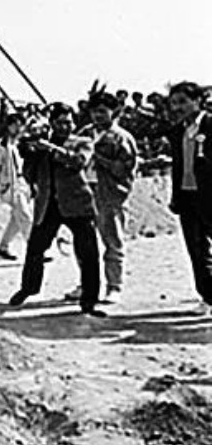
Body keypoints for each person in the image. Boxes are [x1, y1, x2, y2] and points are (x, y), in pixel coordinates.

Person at [8, 104, 104, 316]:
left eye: (68, 122)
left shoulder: (83, 142)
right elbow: (30, 174)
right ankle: (29, 288)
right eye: (60, 122)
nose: (65, 126)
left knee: (88, 254)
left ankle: (89, 300)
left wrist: (51, 149)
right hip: (48, 205)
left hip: (78, 205)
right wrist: (31, 153)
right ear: (51, 124)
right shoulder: (42, 144)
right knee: (35, 249)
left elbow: (79, 161)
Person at [84, 91, 138, 304]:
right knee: (85, 243)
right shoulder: (85, 133)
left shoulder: (122, 137)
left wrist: (98, 158)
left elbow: (124, 169)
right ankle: (86, 284)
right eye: (93, 111)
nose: (97, 116)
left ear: (113, 112)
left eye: (102, 111)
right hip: (85, 192)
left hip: (110, 194)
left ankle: (114, 286)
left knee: (112, 242)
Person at [166, 82, 212, 313]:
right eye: (174, 102)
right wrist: (175, 196)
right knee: (197, 250)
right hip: (188, 197)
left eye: (183, 101)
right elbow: (177, 166)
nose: (178, 107)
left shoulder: (210, 124)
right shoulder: (177, 131)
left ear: (198, 101)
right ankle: (208, 296)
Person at [0, 113, 33, 261]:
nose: (17, 128)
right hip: (8, 186)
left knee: (17, 220)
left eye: (20, 125)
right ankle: (35, 250)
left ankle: (3, 247)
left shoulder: (17, 145)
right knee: (25, 216)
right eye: (14, 124)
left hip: (21, 183)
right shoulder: (0, 146)